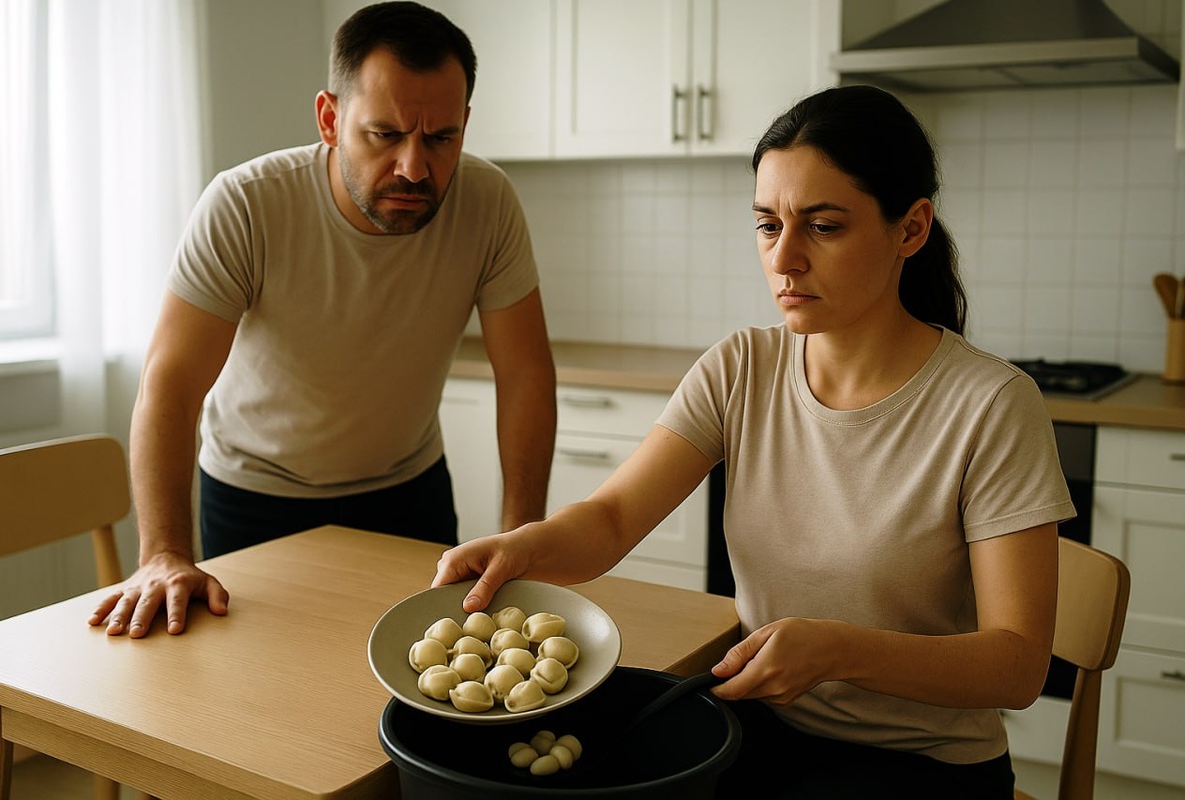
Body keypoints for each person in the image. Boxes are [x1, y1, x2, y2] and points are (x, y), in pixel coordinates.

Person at [431, 84, 1074, 799]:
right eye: (768, 224)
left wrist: (837, 650)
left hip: (921, 765)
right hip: (760, 730)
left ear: (911, 229)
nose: (785, 258)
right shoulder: (741, 367)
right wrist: (523, 544)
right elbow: (612, 520)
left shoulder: (991, 405)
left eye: (823, 227)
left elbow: (1018, 667)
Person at [91, 1, 557, 639]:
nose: (414, 167)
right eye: (385, 134)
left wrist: (521, 536)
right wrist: (163, 552)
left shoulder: (489, 202)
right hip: (255, 494)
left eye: (441, 137)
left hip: (407, 488)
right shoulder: (246, 204)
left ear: (465, 125)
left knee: (425, 678)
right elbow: (170, 384)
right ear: (331, 119)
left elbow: (526, 373)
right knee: (254, 701)